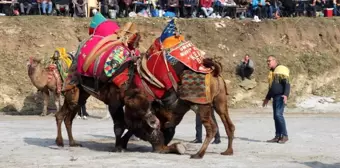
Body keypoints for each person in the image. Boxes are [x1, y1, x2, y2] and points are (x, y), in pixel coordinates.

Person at [262, 55, 290, 144]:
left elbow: (287, 83)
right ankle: (278, 136)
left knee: (278, 115)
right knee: (276, 117)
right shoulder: (272, 73)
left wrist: (285, 95)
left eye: (269, 61)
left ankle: (284, 136)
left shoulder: (281, 70)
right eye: (267, 61)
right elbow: (272, 87)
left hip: (280, 96)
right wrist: (267, 98)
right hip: (275, 97)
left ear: (275, 61)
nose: (268, 62)